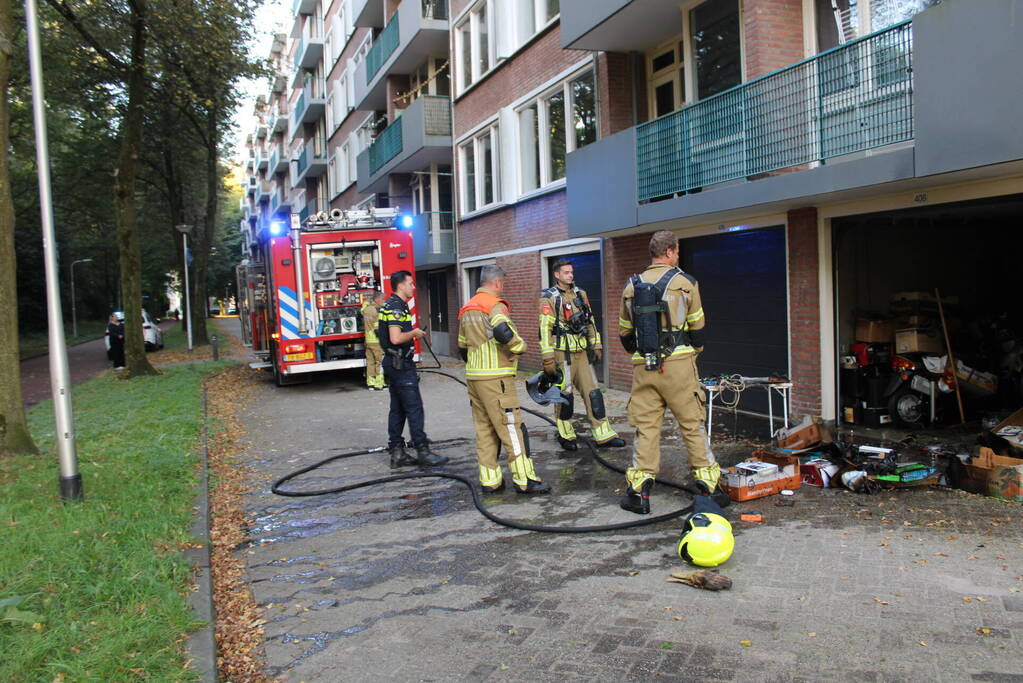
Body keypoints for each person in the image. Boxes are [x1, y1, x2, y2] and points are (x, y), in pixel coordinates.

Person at [617, 230, 725, 514]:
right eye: (676, 251)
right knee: (691, 424)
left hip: (644, 367)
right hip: (679, 366)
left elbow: (625, 334)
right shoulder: (686, 283)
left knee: (646, 428)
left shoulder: (631, 285)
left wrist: (643, 355)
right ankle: (709, 488)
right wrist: (690, 354)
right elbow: (698, 330)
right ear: (668, 252)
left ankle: (639, 494)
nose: (677, 255)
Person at [458, 265, 550, 494]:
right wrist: (519, 347)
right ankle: (525, 479)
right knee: (510, 427)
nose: (503, 288)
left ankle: (490, 480)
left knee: (484, 429)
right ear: (497, 282)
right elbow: (503, 331)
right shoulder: (494, 305)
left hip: (474, 378)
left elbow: (462, 346)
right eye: (503, 284)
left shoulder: (467, 308)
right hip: (496, 378)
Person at [539, 258, 626, 451]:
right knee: (565, 396)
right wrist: (547, 357)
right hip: (562, 354)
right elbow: (544, 328)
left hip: (582, 353)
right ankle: (566, 435)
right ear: (557, 275)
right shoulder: (549, 297)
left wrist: (596, 344)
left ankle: (604, 434)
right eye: (566, 272)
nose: (570, 275)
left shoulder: (581, 294)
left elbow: (590, 320)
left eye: (571, 272)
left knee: (593, 393)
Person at [378, 270, 448, 469]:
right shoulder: (396, 307)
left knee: (398, 408)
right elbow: (395, 338)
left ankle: (397, 453)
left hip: (393, 363)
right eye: (411, 283)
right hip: (400, 364)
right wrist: (414, 333)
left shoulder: (390, 305)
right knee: (414, 408)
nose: (413, 287)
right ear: (401, 285)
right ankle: (423, 451)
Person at [360, 291, 387, 391]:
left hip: (368, 340)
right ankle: (379, 384)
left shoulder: (366, 309)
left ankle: (370, 384)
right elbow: (378, 326)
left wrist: (367, 302)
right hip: (376, 341)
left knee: (370, 362)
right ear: (377, 299)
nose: (384, 301)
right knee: (379, 362)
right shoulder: (377, 310)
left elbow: (362, 310)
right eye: (383, 299)